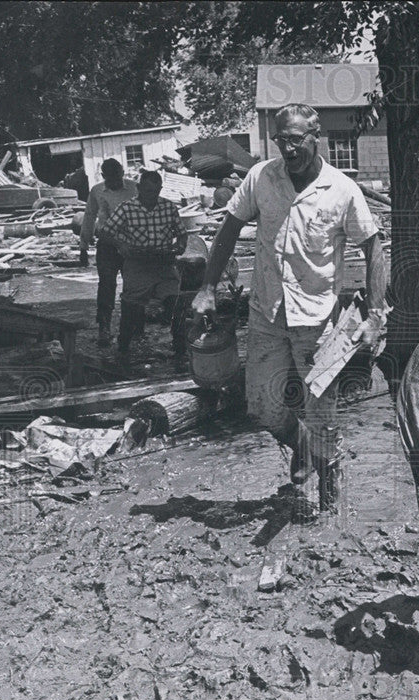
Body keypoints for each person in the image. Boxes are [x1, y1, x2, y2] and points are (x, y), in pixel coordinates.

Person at [191, 103, 387, 511]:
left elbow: (373, 248)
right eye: (281, 140)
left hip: (317, 321)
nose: (288, 148)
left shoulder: (342, 189)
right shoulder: (261, 177)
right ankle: (304, 450)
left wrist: (374, 315)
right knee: (262, 406)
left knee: (322, 413)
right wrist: (207, 286)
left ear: (316, 138)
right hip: (267, 312)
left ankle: (330, 496)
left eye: (296, 140)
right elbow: (229, 228)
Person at [102, 169, 188, 366]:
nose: (152, 196)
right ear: (139, 188)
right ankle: (123, 348)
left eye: (156, 192)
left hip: (164, 262)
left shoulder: (168, 207)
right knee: (130, 305)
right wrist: (121, 245)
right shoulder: (126, 208)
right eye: (148, 191)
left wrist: (181, 245)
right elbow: (105, 233)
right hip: (137, 263)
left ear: (160, 190)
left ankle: (180, 349)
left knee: (176, 303)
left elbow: (182, 233)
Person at [79, 159, 138, 347]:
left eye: (118, 176)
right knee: (106, 285)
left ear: (122, 172)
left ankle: (135, 327)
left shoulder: (135, 188)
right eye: (111, 178)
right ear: (104, 177)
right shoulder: (97, 191)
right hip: (107, 245)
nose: (115, 181)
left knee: (134, 286)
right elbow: (89, 216)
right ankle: (104, 327)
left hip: (132, 244)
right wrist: (83, 245)